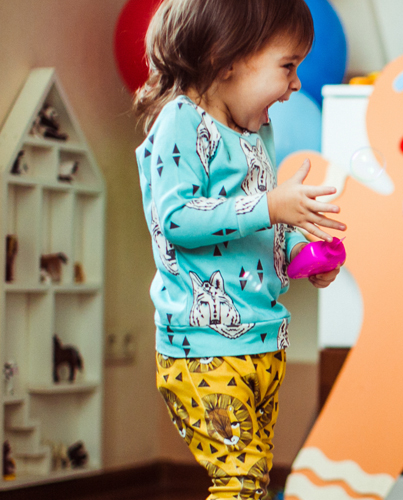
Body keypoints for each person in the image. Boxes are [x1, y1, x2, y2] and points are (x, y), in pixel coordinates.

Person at [132, 0, 346, 497]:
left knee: (251, 478)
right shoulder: (180, 122)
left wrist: (300, 252)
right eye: (288, 66)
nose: (296, 84)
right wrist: (272, 205)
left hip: (261, 341)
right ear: (227, 58)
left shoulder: (254, 135)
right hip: (204, 347)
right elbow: (177, 219)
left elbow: (250, 228)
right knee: (240, 477)